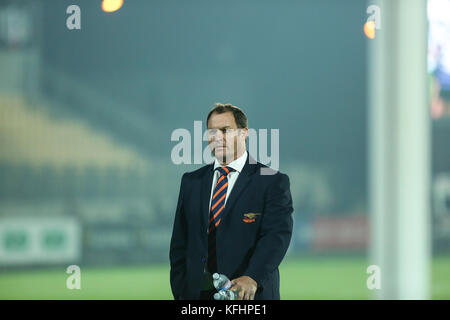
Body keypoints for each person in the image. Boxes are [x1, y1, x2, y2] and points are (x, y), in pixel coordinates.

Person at [169, 103, 293, 300]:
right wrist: (182, 289)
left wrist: (252, 278)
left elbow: (276, 237)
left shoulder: (272, 181)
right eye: (211, 131)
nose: (217, 137)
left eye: (225, 130)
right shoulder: (191, 182)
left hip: (249, 295)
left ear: (244, 133)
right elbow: (179, 245)